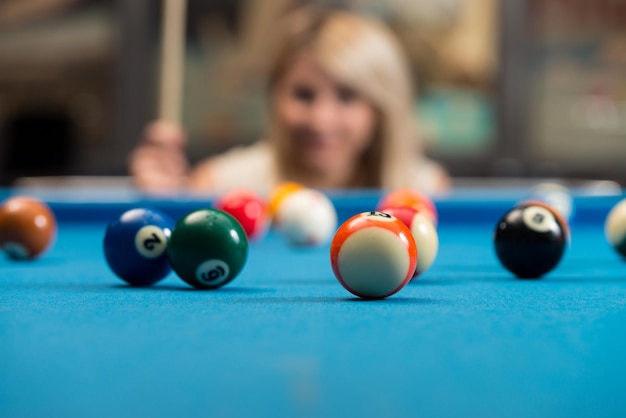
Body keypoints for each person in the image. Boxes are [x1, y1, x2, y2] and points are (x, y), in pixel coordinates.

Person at [129, 8, 450, 194]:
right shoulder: (221, 183)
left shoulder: (424, 188)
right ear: (275, 95)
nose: (321, 119)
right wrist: (163, 202)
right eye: (303, 95)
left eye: (347, 96)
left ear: (381, 108)